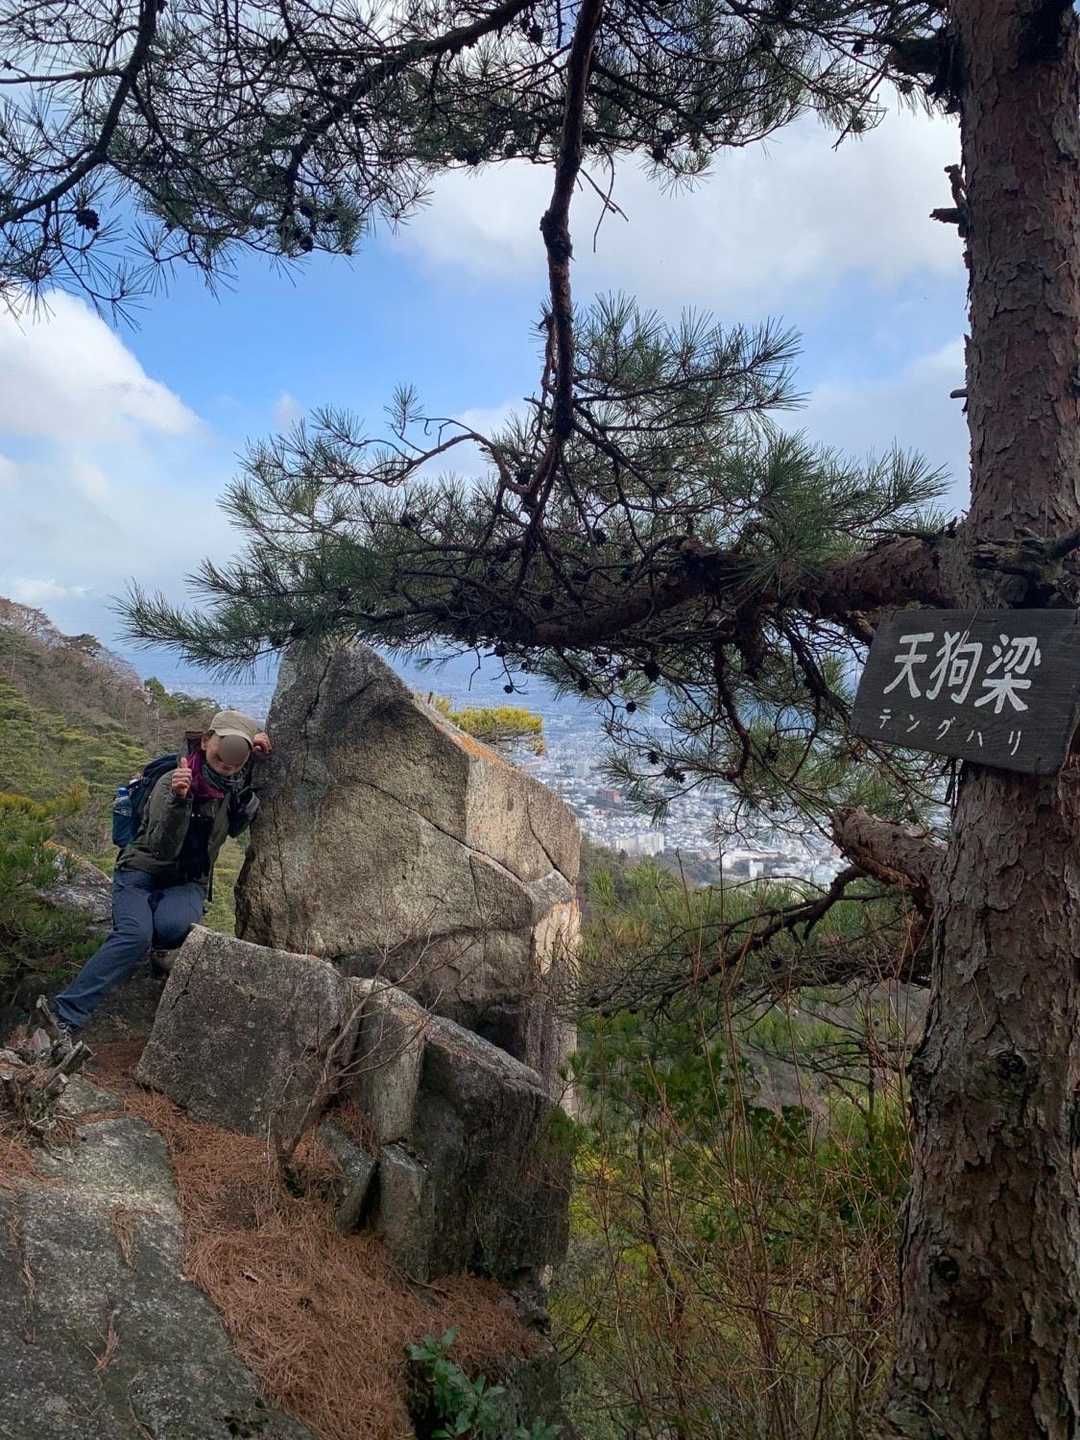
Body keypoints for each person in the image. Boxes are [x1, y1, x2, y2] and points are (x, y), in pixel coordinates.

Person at [42, 710, 272, 1043]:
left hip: (188, 881)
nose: (230, 758)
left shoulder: (233, 781)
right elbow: (163, 847)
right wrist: (180, 801)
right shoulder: (172, 780)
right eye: (225, 746)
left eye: (240, 751)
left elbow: (234, 813)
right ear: (206, 741)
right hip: (140, 872)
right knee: (135, 937)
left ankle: (153, 921)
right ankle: (65, 1015)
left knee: (173, 927)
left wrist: (254, 748)